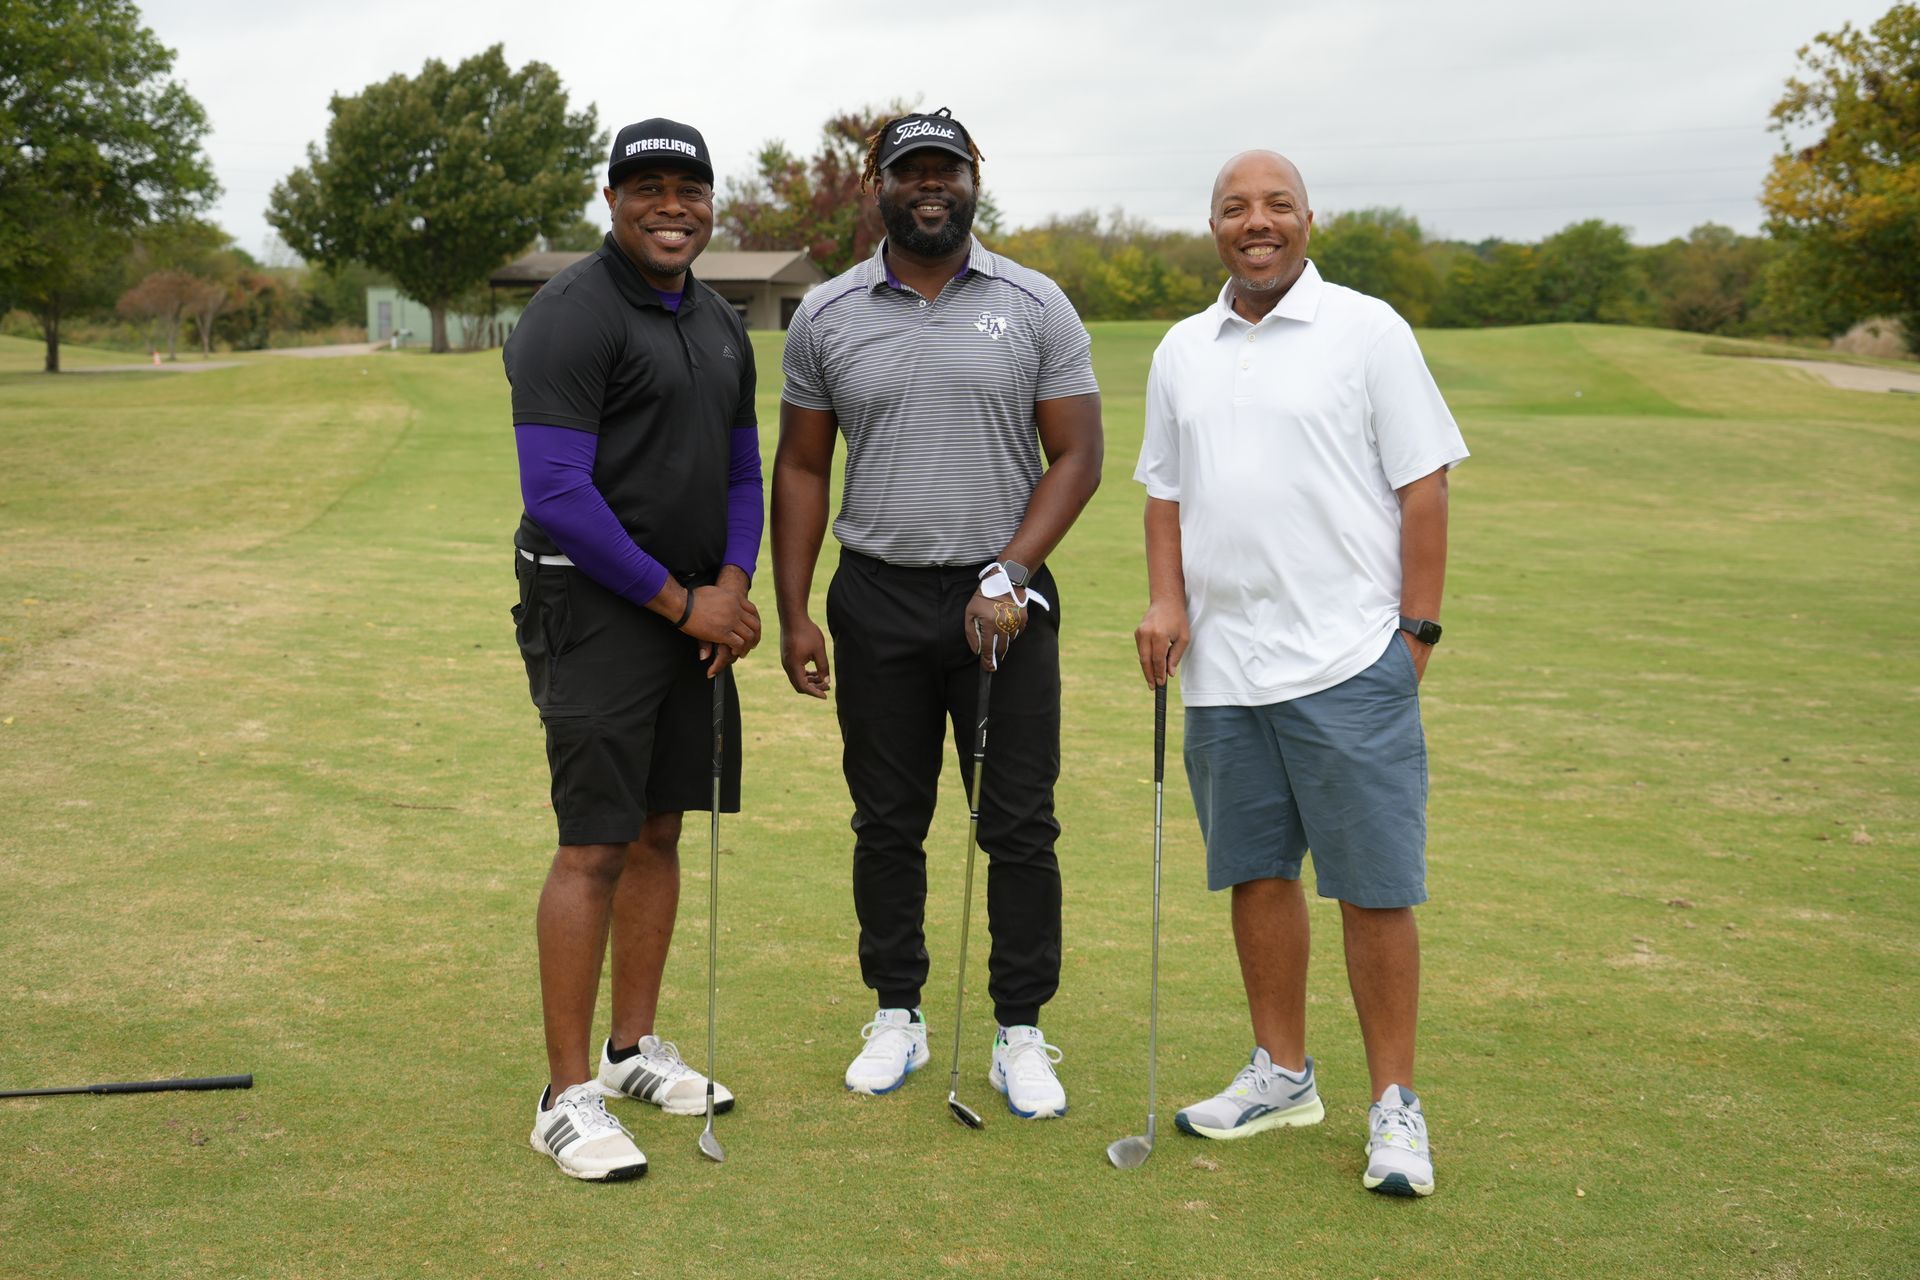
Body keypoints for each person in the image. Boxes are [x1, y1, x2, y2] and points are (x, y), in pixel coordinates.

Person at [1132, 150, 1467, 1196]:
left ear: (1308, 219)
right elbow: (1164, 497)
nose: (1256, 221)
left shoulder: (1369, 330)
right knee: (1256, 870)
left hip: (1347, 655)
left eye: (1276, 205)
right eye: (1235, 207)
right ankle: (1282, 1071)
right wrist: (1167, 598)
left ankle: (1394, 1104)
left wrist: (1413, 634)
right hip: (1224, 666)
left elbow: (1424, 487)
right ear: (1215, 226)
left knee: (1371, 884)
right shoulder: (1183, 348)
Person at [772, 108, 1103, 1119]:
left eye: (946, 171)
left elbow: (1077, 457)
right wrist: (793, 610)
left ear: (973, 180)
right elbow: (800, 464)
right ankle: (897, 1010)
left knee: (1017, 823)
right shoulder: (826, 313)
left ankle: (1020, 1029)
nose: (931, 186)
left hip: (1001, 600)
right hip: (876, 595)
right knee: (886, 819)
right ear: (878, 182)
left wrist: (1012, 570)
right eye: (911, 169)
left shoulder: (1035, 303)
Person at [504, 117, 763, 1181]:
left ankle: (628, 1052)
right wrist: (679, 601)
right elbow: (556, 493)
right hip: (598, 606)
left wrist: (734, 587)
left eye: (688, 188)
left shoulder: (716, 317)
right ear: (611, 201)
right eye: (647, 186)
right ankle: (564, 1095)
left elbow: (742, 470)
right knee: (595, 841)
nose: (671, 205)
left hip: (690, 608)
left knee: (661, 826)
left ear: (710, 202)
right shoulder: (571, 312)